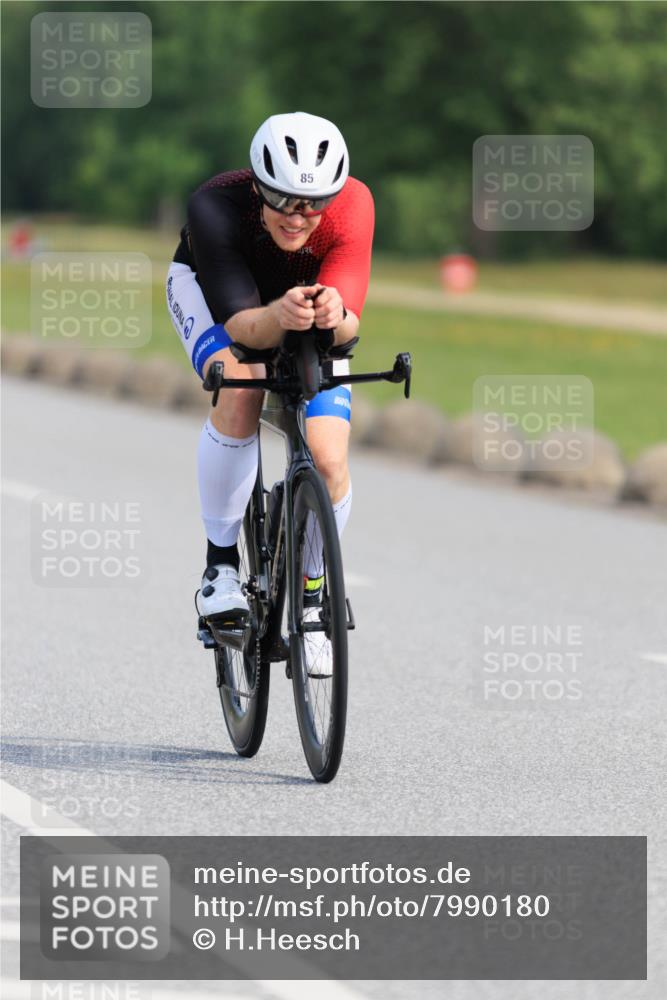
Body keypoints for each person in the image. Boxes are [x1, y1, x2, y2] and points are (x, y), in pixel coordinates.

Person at [166, 111, 374, 652]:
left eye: (314, 203)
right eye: (281, 198)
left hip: (299, 303)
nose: (298, 216)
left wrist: (334, 311)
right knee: (243, 385)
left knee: (328, 458)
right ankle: (220, 570)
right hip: (217, 295)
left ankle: (312, 594)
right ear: (257, 183)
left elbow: (350, 325)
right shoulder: (215, 205)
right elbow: (243, 327)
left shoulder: (353, 205)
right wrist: (280, 316)